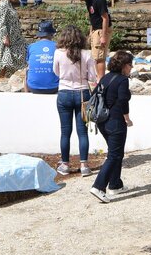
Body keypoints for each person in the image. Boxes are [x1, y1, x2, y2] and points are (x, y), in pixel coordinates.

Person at [90, 50, 134, 203]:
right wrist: (127, 118)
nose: (132, 67)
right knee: (114, 155)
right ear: (123, 65)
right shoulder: (122, 80)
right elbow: (123, 101)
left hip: (102, 121)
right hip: (115, 122)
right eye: (130, 64)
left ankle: (115, 184)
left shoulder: (105, 78)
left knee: (117, 152)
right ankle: (98, 186)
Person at [53, 25, 97, 177]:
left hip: (64, 92)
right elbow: (92, 77)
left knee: (65, 132)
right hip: (82, 93)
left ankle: (65, 164)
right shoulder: (86, 54)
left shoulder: (58, 53)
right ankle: (84, 165)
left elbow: (56, 72)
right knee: (82, 132)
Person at [73, 0, 111, 79]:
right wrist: (91, 31)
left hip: (101, 30)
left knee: (99, 57)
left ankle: (101, 80)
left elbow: (105, 18)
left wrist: (103, 36)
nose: (81, 0)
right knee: (95, 56)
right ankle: (99, 77)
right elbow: (92, 16)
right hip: (95, 30)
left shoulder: (98, 0)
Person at [0, 0, 27, 78]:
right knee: (6, 58)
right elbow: (1, 22)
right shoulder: (3, 4)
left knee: (10, 57)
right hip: (7, 37)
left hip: (13, 37)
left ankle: (5, 76)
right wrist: (5, 37)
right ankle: (1, 76)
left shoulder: (8, 3)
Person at [26, 21, 60, 94]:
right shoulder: (58, 47)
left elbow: (29, 65)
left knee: (27, 70)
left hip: (33, 87)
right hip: (54, 88)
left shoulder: (31, 46)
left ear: (39, 35)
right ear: (52, 34)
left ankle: (26, 96)